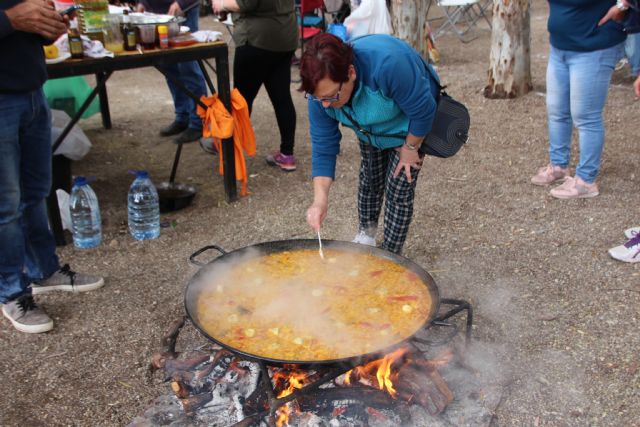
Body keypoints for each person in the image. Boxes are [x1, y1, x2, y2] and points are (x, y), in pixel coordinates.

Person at [1, 0, 104, 334]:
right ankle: (11, 292)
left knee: (35, 192)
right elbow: (13, 20)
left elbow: (28, 27)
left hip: (31, 89)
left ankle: (43, 270)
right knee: (6, 207)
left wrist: (47, 26)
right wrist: (9, 20)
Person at [300, 33, 440, 254]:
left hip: (407, 127)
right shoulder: (320, 97)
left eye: (331, 96)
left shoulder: (389, 65)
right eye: (319, 98)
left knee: (399, 188)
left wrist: (410, 147)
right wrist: (320, 201)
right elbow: (323, 147)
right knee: (370, 177)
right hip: (368, 127)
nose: (325, 105)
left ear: (351, 73)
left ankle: (391, 256)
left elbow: (424, 110)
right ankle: (366, 236)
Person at [530, 0, 627, 199]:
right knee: (556, 110)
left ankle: (586, 181)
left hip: (594, 46)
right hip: (560, 46)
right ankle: (558, 165)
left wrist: (623, 6)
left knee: (586, 116)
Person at [211, 0, 298, 171]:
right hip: (284, 35)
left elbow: (246, 3)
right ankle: (287, 155)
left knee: (241, 100)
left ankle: (228, 149)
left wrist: (222, 4)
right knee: (282, 98)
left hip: (257, 39)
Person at [137, 0, 207, 144]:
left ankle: (199, 122)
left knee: (188, 67)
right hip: (157, 13)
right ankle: (183, 116)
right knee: (169, 66)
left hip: (182, 11)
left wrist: (181, 3)